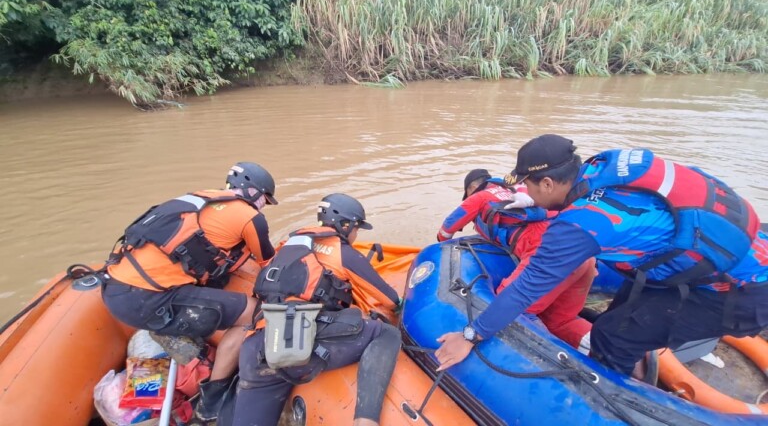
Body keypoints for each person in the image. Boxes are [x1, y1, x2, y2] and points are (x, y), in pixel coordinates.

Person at [435, 134, 768, 383]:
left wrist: (470, 335)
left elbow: (524, 290)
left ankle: (625, 401)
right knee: (621, 312)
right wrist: (535, 207)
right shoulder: (604, 166)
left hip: (739, 288)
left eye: (527, 185)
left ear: (548, 182)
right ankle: (640, 361)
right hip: (740, 247)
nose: (524, 192)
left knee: (613, 336)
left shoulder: (576, 228)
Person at [101, 162, 278, 421]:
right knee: (255, 314)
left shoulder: (199, 199)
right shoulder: (249, 216)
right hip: (150, 299)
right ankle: (211, 400)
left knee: (148, 342)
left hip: (116, 290)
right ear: (253, 192)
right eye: (265, 199)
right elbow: (269, 265)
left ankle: (152, 388)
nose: (264, 206)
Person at [233, 193, 401, 426]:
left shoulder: (290, 244)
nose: (355, 235)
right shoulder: (342, 252)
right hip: (300, 343)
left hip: (258, 345)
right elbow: (390, 299)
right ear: (346, 225)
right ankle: (366, 420)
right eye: (357, 229)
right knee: (387, 334)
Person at [436, 168, 594, 353]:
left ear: (472, 188)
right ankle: (611, 360)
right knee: (562, 322)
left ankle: (542, 359)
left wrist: (441, 245)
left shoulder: (480, 197)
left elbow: (447, 228)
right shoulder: (521, 189)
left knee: (511, 307)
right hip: (585, 257)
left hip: (549, 254)